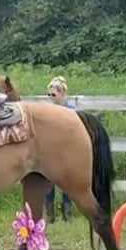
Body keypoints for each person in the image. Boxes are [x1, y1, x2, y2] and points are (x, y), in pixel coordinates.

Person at [46, 75, 75, 222]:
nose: (51, 97)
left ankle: (67, 214)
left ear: (61, 93)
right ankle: (50, 215)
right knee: (49, 182)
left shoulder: (70, 110)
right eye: (49, 94)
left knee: (67, 182)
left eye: (53, 94)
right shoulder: (49, 110)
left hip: (66, 149)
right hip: (52, 149)